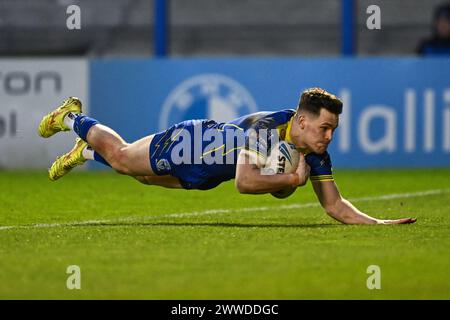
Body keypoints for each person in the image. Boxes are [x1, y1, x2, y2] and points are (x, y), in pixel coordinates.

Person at [38, 87, 416, 225]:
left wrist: (379, 224)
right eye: (324, 128)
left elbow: (336, 206)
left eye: (333, 129)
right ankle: (71, 116)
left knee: (142, 177)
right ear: (301, 121)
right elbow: (245, 182)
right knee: (121, 157)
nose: (329, 136)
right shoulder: (268, 128)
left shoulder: (314, 151)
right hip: (191, 144)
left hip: (205, 174)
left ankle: (85, 152)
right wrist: (290, 180)